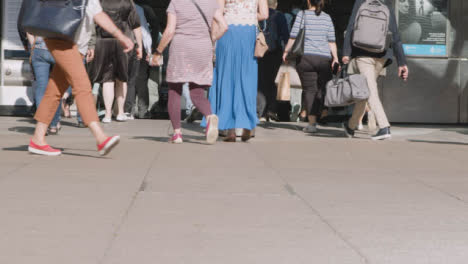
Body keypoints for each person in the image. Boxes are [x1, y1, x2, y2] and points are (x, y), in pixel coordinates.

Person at [27, 0, 135, 156]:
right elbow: (98, 15)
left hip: (72, 43)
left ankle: (38, 139)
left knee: (54, 91)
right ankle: (100, 137)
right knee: (82, 86)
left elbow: (96, 12)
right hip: (63, 40)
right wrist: (121, 37)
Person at [150, 0, 228, 144]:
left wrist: (158, 52)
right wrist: (210, 39)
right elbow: (224, 26)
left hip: (181, 48)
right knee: (197, 93)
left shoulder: (176, 2)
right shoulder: (211, 2)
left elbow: (169, 31)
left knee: (174, 90)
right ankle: (210, 116)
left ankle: (177, 134)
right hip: (203, 48)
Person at [342, 0, 409, 140]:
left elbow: (351, 27)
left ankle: (384, 127)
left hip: (363, 53)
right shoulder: (386, 5)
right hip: (382, 56)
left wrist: (346, 53)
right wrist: (402, 62)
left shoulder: (360, 3)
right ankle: (351, 126)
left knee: (370, 92)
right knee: (366, 91)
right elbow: (395, 36)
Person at [204, 0, 269, 142]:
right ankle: (248, 126)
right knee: (247, 79)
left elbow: (218, 12)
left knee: (227, 79)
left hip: (227, 31)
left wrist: (213, 39)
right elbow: (264, 14)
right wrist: (248, 15)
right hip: (248, 34)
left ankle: (231, 131)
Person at [283, 0, 339, 134]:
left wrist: (286, 52)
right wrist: (335, 58)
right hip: (324, 58)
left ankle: (312, 124)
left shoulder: (302, 15)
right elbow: (331, 41)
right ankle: (321, 114)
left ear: (308, 1)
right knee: (321, 89)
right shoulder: (327, 18)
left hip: (305, 58)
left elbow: (293, 36)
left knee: (309, 90)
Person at [88, 0, 143, 123]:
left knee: (107, 79)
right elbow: (135, 24)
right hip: (123, 40)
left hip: (102, 40)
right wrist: (139, 45)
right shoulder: (128, 2)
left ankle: (107, 114)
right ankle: (120, 112)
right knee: (121, 78)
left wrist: (91, 45)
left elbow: (91, 21)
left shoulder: (99, 2)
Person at [257, 0, 289, 122]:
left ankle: (261, 112)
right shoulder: (280, 16)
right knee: (271, 81)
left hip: (259, 50)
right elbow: (285, 35)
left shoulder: (258, 14)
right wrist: (287, 52)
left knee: (260, 81)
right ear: (275, 4)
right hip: (274, 52)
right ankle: (271, 109)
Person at [26, 34, 63, 135]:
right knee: (57, 87)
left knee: (41, 88)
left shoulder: (35, 16)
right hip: (58, 48)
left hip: (39, 49)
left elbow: (28, 30)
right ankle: (54, 125)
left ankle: (42, 124)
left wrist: (34, 45)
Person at [124, 4, 155, 119]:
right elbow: (143, 30)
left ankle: (124, 110)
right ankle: (142, 110)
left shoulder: (109, 4)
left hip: (116, 46)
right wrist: (148, 49)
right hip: (136, 46)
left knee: (122, 80)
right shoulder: (138, 9)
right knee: (140, 80)